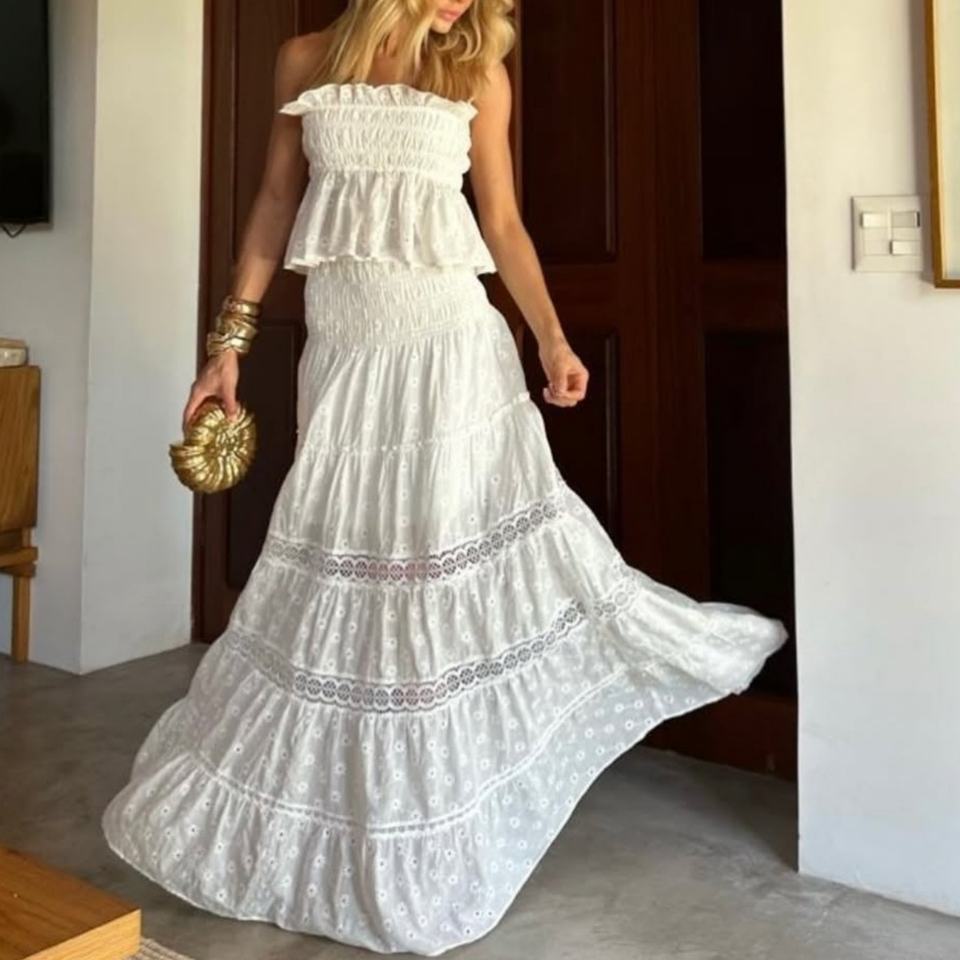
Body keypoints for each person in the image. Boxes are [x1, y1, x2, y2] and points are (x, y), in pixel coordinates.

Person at [102, 1, 789, 955]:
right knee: (341, 577)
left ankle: (424, 837)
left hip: (451, 353)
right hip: (345, 355)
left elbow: (500, 221)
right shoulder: (304, 60)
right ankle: (333, 821)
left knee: (429, 580)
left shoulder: (475, 73)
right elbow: (273, 202)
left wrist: (551, 339)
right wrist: (229, 343)